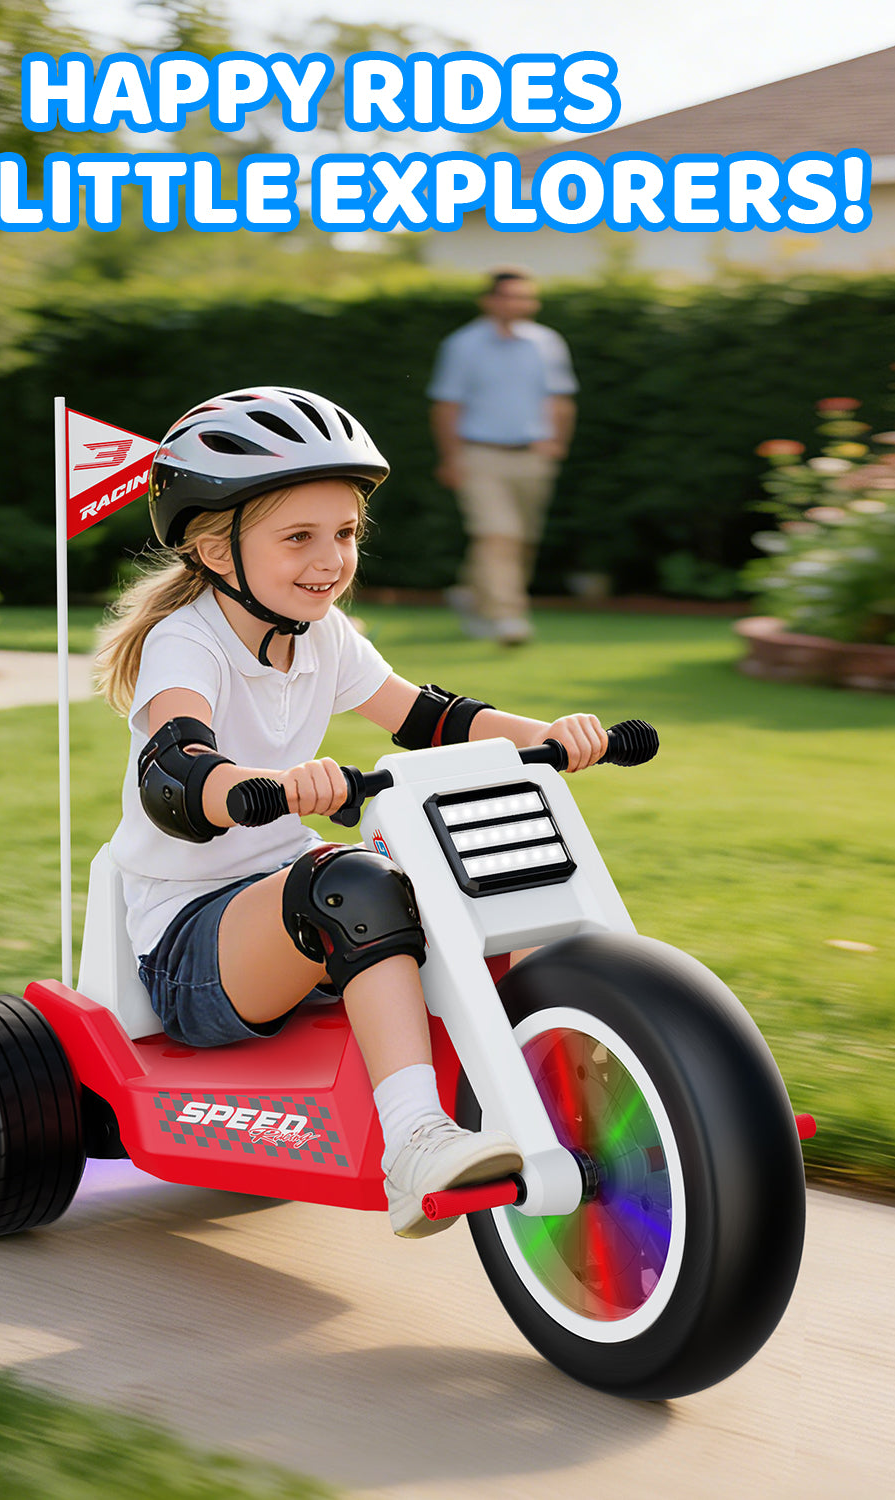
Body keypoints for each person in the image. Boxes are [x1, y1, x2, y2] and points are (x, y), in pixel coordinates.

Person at [95, 386, 606, 1239]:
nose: (330, 560)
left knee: (458, 875)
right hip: (190, 944)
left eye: (344, 534)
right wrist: (261, 784)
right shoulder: (184, 641)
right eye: (298, 538)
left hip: (276, 906)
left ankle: (562, 1068)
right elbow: (175, 767)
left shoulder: (322, 633)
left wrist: (544, 735)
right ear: (217, 551)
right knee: (353, 882)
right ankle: (413, 1142)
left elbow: (428, 715)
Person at [428, 266, 578, 646]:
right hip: (480, 454)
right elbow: (446, 405)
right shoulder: (462, 345)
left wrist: (556, 443)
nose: (518, 303)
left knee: (522, 540)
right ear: (490, 300)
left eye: (525, 296)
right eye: (509, 295)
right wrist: (450, 458)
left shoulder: (548, 343)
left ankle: (470, 593)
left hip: (533, 455)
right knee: (498, 535)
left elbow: (560, 399)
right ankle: (508, 617)